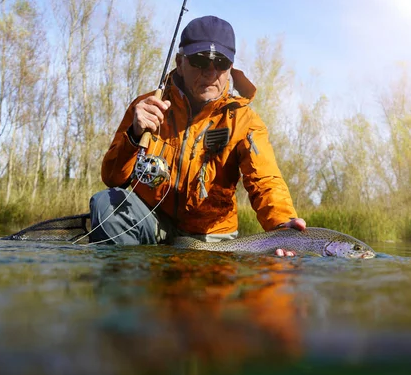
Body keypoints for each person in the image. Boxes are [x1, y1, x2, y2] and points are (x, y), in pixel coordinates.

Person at [90, 15, 306, 256]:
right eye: (200, 60)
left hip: (212, 235)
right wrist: (134, 134)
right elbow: (112, 178)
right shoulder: (147, 107)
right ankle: (129, 290)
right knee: (106, 205)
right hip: (152, 221)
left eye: (221, 63)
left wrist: (281, 225)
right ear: (180, 61)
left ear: (230, 69)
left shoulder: (245, 121)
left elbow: (265, 181)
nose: (211, 72)